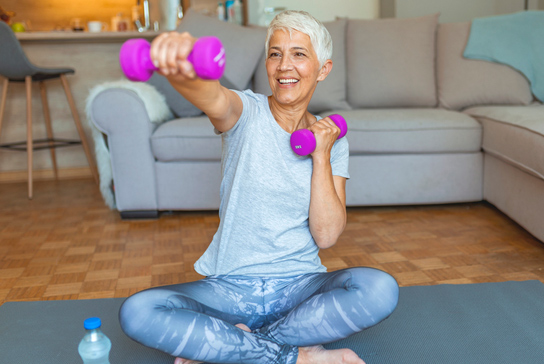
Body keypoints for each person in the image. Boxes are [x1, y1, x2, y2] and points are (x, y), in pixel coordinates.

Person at [119, 10, 399, 364]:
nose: (285, 66)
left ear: (323, 69)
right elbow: (211, 95)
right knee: (139, 311)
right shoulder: (245, 112)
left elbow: (327, 235)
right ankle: (297, 357)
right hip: (228, 290)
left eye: (299, 54)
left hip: (300, 290)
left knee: (379, 288)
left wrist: (322, 156)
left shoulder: (331, 140)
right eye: (275, 53)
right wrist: (181, 67)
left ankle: (232, 347)